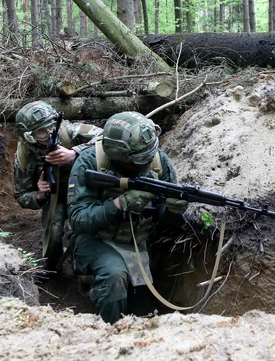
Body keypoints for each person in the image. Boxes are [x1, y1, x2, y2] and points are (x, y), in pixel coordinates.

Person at [66, 111, 188, 324]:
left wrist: (173, 211)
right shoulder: (90, 162)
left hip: (136, 241)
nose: (149, 157)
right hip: (96, 238)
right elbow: (78, 219)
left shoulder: (158, 162)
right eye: (141, 156)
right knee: (115, 277)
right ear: (120, 154)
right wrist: (120, 203)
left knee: (139, 306)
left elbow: (165, 218)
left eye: (152, 149)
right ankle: (108, 336)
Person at [13, 101, 103, 279]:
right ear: (29, 136)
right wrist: (39, 194)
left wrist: (75, 153)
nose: (49, 134)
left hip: (86, 192)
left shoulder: (70, 131)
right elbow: (21, 195)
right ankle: (52, 266)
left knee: (84, 228)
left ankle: (87, 265)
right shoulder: (24, 157)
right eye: (41, 132)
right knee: (53, 234)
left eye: (51, 127)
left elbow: (106, 138)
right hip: (56, 198)